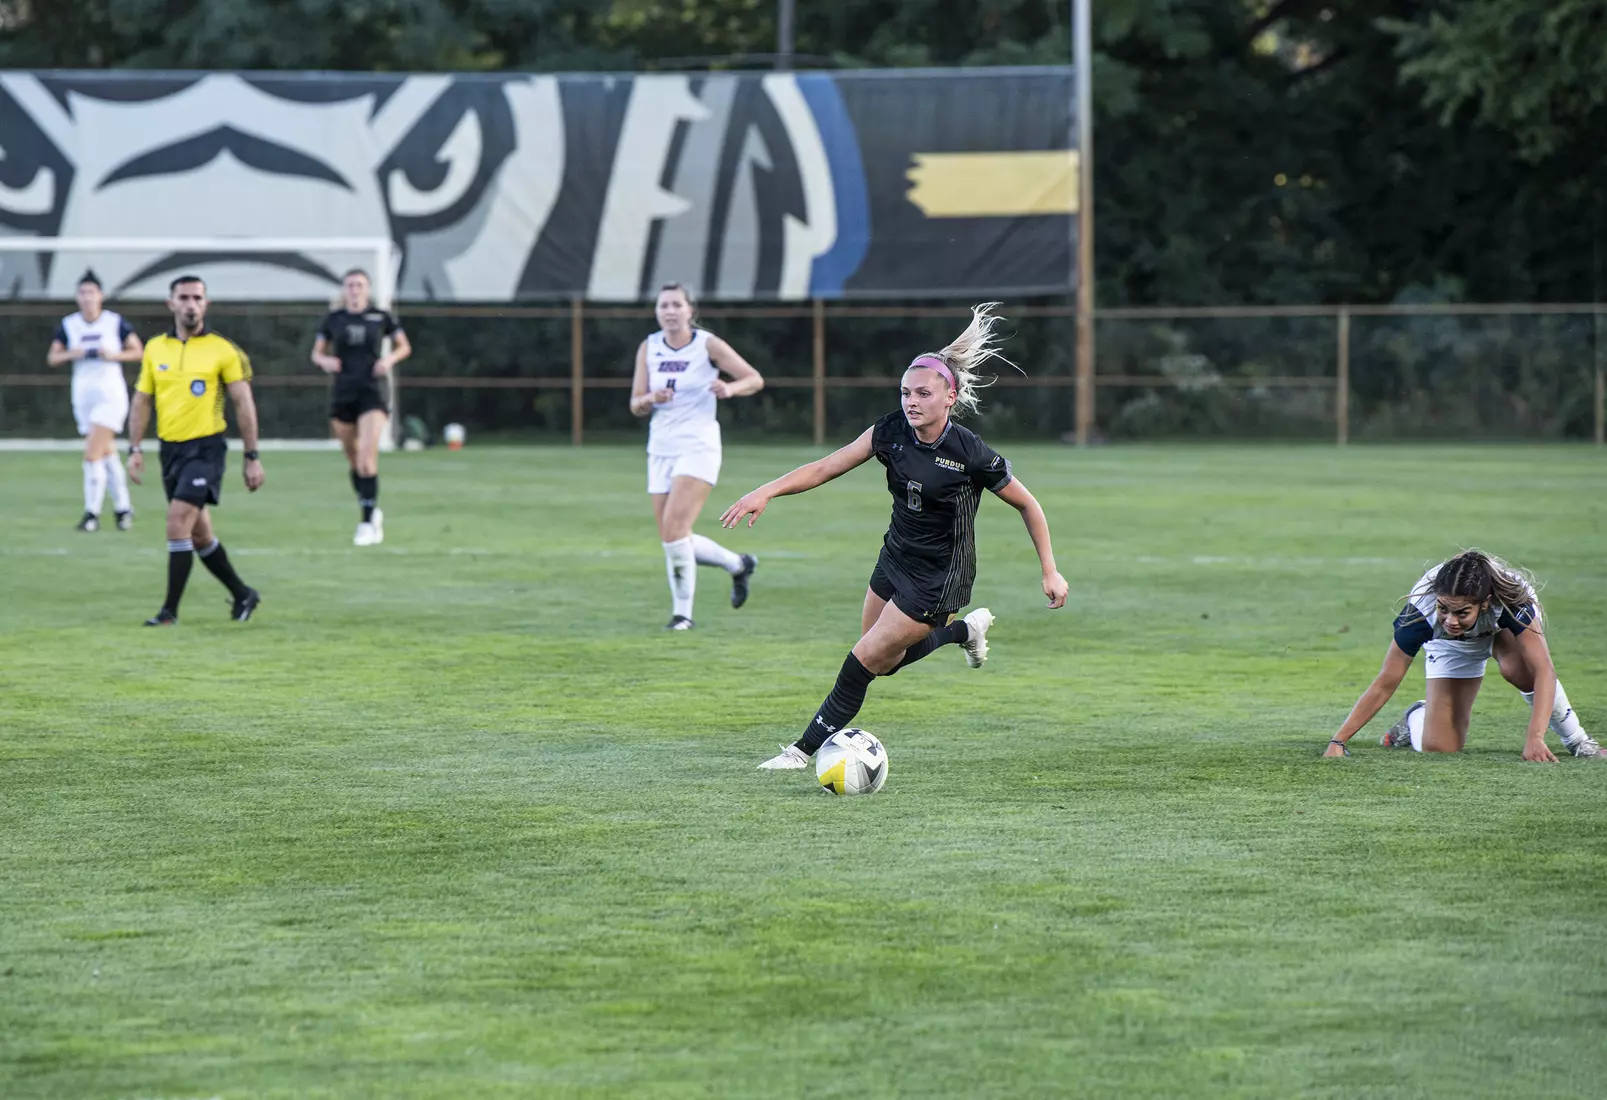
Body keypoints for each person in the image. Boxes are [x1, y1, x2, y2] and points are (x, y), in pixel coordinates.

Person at [720, 303, 1069, 771]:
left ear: (951, 396)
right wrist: (769, 490)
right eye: (906, 392)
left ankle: (800, 753)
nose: (911, 401)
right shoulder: (890, 432)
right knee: (880, 661)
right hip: (895, 557)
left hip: (940, 577)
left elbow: (1028, 504)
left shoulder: (970, 452)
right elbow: (826, 466)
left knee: (862, 660)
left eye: (923, 393)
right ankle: (962, 632)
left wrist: (1049, 569)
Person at [1323, 549, 1600, 760]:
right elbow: (1386, 681)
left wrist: (1535, 737)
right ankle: (1417, 715)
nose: (1451, 619)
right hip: (1450, 645)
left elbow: (1545, 671)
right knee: (1439, 748)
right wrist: (1338, 742)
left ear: (1485, 603)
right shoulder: (1422, 613)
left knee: (1521, 670)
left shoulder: (1514, 601)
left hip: (1500, 633)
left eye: (1462, 612)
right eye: (1445, 608)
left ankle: (1579, 743)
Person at [126, 276, 265, 626]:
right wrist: (134, 448)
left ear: (206, 304)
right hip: (170, 451)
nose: (190, 304)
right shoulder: (155, 348)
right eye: (183, 297)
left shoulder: (223, 350)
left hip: (206, 450)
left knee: (176, 523)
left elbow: (243, 403)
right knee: (200, 534)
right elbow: (142, 401)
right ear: (170, 303)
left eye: (197, 298)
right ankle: (243, 594)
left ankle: (169, 612)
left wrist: (252, 456)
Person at [629, 282, 764, 630]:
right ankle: (738, 564)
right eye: (663, 306)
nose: (670, 311)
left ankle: (682, 616)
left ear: (690, 310)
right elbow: (635, 403)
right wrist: (649, 400)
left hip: (698, 445)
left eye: (676, 304)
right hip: (660, 447)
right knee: (673, 536)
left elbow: (754, 379)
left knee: (675, 530)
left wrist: (729, 388)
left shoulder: (707, 344)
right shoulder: (650, 346)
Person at [311, 269, 410, 546]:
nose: (354, 290)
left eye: (360, 285)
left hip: (372, 392)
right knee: (354, 460)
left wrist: (388, 360)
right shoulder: (334, 319)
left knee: (367, 460)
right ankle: (371, 507)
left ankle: (366, 523)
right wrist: (325, 361)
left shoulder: (381, 317)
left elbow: (404, 346)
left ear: (367, 289)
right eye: (350, 285)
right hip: (343, 393)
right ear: (344, 290)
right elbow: (316, 353)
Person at [46, 271, 143, 531]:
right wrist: (71, 353)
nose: (87, 298)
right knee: (107, 454)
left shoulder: (115, 323)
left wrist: (114, 355)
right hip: (83, 396)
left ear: (100, 295)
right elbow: (53, 358)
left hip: (110, 396)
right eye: (83, 293)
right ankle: (123, 509)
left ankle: (92, 514)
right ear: (77, 297)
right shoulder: (69, 325)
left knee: (92, 453)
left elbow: (138, 351)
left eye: (92, 292)